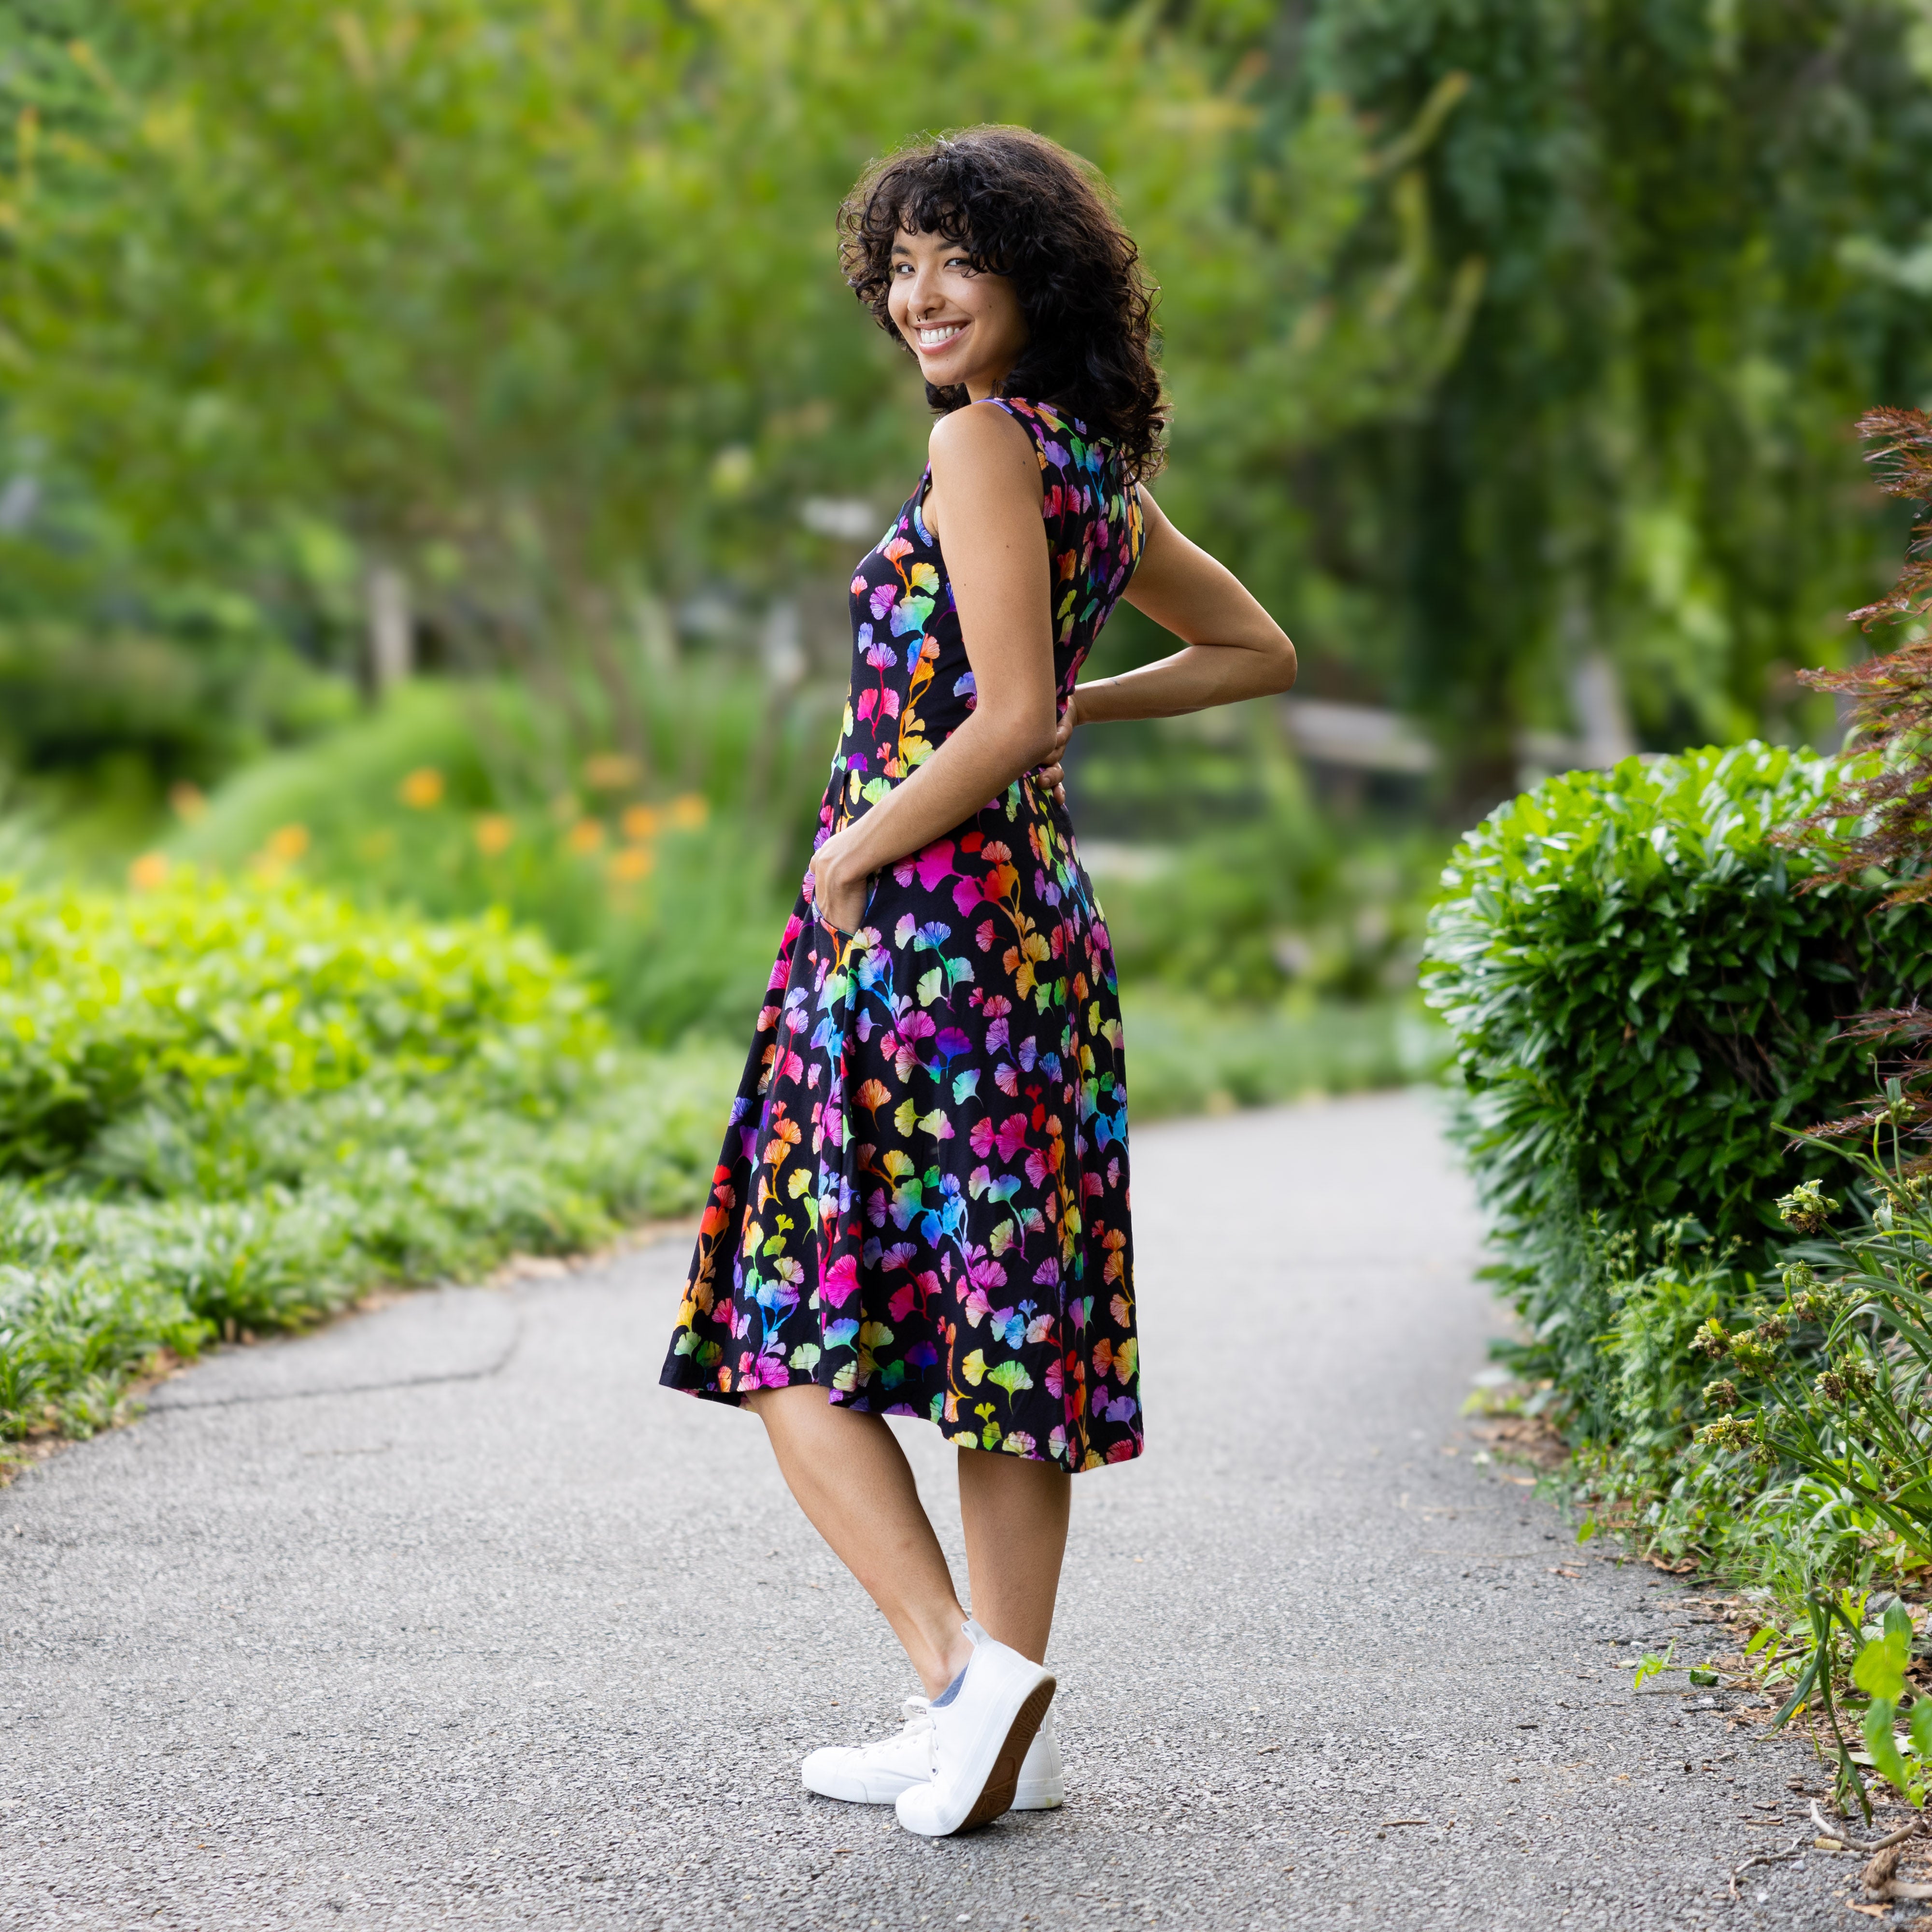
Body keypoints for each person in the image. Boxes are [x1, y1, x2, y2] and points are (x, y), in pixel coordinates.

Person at [658, 125, 1295, 1836]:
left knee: (787, 1333)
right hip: (1034, 934)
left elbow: (1004, 717)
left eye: (957, 259)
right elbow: (1251, 651)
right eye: (900, 263)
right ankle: (980, 1741)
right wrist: (1089, 702)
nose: (917, 294)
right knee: (1005, 1339)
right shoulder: (1087, 465)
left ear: (1033, 279)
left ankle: (957, 1672)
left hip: (925, 934)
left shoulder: (980, 448)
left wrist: (860, 845)